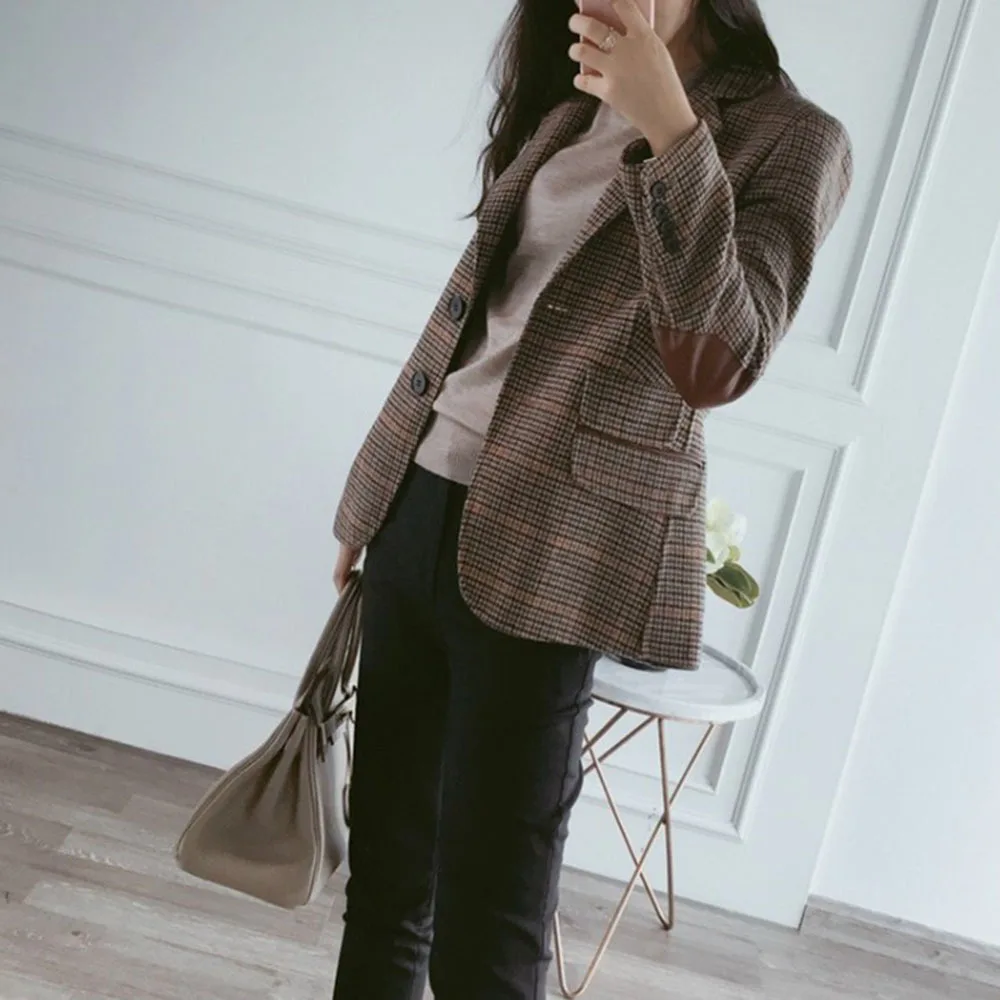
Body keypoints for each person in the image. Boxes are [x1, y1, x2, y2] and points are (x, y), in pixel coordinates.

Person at [329, 1, 852, 997]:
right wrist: (373, 496)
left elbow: (718, 359)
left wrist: (673, 132)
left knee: (488, 929)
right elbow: (476, 316)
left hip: (554, 551)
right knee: (385, 882)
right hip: (420, 503)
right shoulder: (569, 99)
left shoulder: (793, 138)